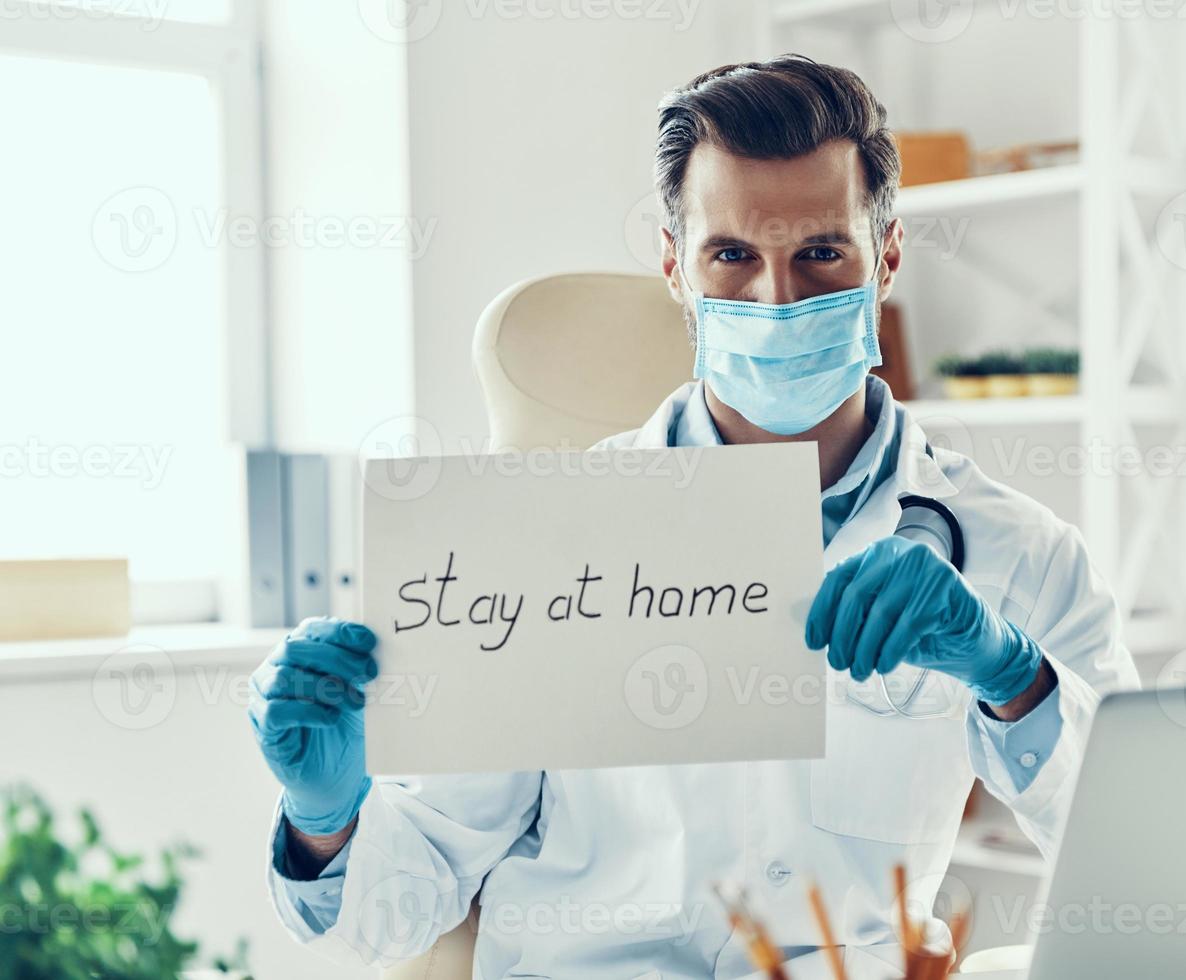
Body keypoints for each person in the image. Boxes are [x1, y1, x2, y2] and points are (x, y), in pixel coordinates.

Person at [249, 55, 1138, 978]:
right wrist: (326, 820)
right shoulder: (537, 545)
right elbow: (403, 907)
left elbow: (1141, 855)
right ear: (676, 265)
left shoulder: (1014, 552)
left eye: (822, 254)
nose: (777, 298)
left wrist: (1010, 673)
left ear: (889, 257)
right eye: (734, 255)